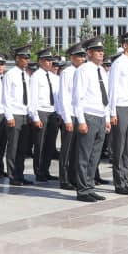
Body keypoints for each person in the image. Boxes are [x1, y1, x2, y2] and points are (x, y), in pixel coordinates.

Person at [71, 38, 110, 202]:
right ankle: (82, 190)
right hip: (88, 116)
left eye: (102, 51)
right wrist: (81, 120)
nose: (101, 53)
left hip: (100, 116)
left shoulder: (101, 70)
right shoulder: (83, 70)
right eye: (97, 50)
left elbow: (105, 96)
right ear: (89, 53)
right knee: (84, 156)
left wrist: (107, 118)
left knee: (95, 155)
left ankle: (90, 186)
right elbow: (77, 97)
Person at [107, 31, 128, 194]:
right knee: (119, 145)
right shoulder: (118, 63)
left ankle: (126, 180)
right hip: (119, 106)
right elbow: (112, 88)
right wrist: (112, 112)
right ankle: (119, 182)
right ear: (124, 45)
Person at [56, 43, 85, 190]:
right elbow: (64, 97)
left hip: (80, 115)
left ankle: (74, 177)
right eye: (79, 56)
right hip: (71, 115)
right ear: (72, 57)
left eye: (83, 56)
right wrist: (67, 118)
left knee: (77, 150)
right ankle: (65, 179)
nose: (82, 58)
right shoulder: (67, 72)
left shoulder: (83, 71)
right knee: (67, 150)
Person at [30, 49, 61, 181]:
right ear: (40, 61)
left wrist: (59, 113)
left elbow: (58, 97)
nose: (49, 63)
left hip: (53, 111)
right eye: (47, 60)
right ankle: (38, 172)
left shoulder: (55, 78)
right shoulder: (36, 76)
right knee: (40, 144)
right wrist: (35, 116)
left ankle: (46, 170)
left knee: (50, 144)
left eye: (50, 60)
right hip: (41, 111)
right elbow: (32, 98)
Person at [4, 45, 33, 186]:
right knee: (13, 147)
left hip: (25, 114)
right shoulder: (10, 74)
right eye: (24, 58)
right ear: (17, 58)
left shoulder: (26, 75)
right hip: (14, 114)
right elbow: (6, 97)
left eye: (28, 58)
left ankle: (20, 174)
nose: (27, 61)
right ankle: (12, 175)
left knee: (22, 148)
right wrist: (9, 116)